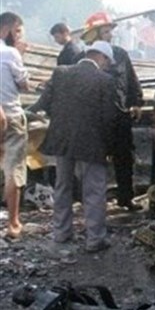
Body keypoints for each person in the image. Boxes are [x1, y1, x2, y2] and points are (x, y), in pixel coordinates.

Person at [35, 41, 117, 252]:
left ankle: (61, 233)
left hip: (62, 139)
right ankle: (95, 239)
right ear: (102, 57)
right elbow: (109, 118)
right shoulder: (105, 80)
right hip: (92, 143)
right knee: (94, 190)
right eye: (108, 62)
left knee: (63, 186)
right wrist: (110, 148)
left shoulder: (61, 72)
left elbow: (43, 104)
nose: (108, 66)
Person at [81, 12, 144, 211]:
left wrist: (136, 102)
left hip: (120, 114)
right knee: (94, 160)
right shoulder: (83, 58)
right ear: (94, 34)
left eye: (110, 31)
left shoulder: (120, 54)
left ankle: (126, 197)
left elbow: (130, 79)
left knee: (124, 157)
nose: (110, 35)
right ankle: (93, 201)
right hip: (95, 117)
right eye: (106, 31)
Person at [0, 11, 31, 239]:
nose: (19, 35)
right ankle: (13, 223)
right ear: (7, 29)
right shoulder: (10, 53)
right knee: (14, 170)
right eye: (17, 31)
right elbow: (24, 85)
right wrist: (20, 55)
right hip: (11, 116)